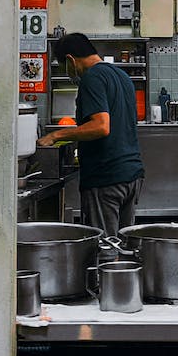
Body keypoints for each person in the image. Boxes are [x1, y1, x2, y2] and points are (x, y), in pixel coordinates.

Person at [37, 32, 144, 237]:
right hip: (131, 174)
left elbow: (101, 126)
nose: (68, 72)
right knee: (124, 245)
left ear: (70, 59)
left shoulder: (91, 78)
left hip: (106, 178)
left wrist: (56, 136)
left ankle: (106, 270)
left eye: (64, 66)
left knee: (105, 247)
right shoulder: (121, 76)